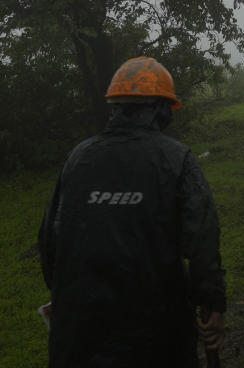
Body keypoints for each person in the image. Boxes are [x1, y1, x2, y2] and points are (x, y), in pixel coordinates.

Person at [38, 56, 226, 368]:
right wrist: (212, 303)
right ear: (162, 109)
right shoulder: (176, 159)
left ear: (115, 106)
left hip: (81, 329)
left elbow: (50, 239)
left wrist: (67, 296)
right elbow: (203, 242)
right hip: (157, 327)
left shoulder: (78, 157)